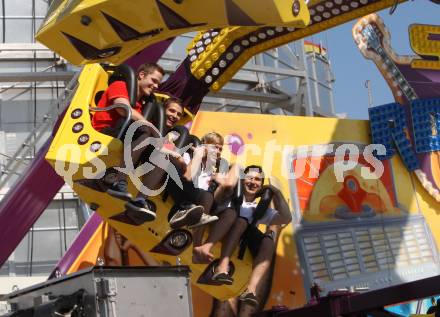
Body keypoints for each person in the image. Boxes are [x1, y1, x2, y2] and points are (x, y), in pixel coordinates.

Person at [91, 63, 200, 227]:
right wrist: (152, 128)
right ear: (141, 75)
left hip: (132, 136)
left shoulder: (145, 103)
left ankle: (140, 200)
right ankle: (119, 180)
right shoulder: (121, 85)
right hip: (107, 132)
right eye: (154, 81)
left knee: (161, 155)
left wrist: (175, 154)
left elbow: (159, 138)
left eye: (158, 83)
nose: (156, 86)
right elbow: (123, 109)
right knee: (145, 130)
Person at [213, 165, 292, 307]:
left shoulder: (256, 209)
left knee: (268, 241)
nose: (253, 182)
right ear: (242, 180)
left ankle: (251, 290)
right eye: (249, 178)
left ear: (261, 186)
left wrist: (276, 193)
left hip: (242, 239)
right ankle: (222, 267)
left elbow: (286, 218)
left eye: (257, 180)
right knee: (241, 222)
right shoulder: (229, 194)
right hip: (221, 227)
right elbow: (216, 199)